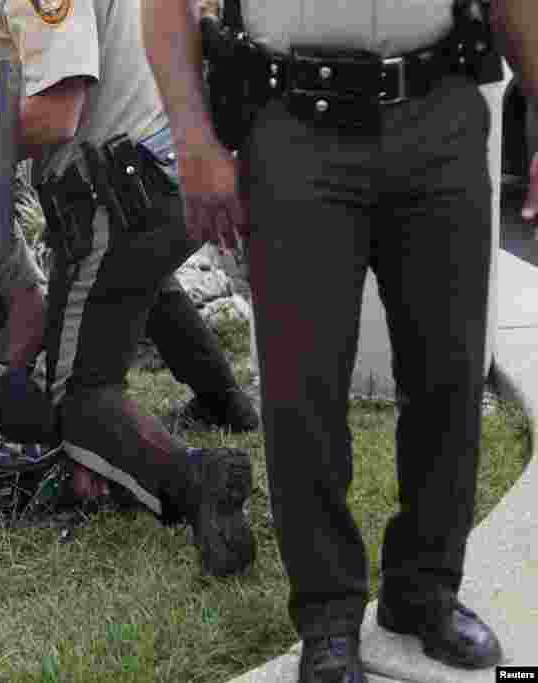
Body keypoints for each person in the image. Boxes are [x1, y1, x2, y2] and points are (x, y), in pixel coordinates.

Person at [141, 0, 524, 678]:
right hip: (294, 127)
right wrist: (194, 139)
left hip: (440, 114)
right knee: (302, 389)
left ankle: (424, 591)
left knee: (451, 374)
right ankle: (327, 616)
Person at [0, 0, 256, 578]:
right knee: (140, 291)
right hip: (158, 178)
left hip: (114, 197)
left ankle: (196, 480)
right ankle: (223, 402)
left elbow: (56, 115)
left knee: (79, 399)